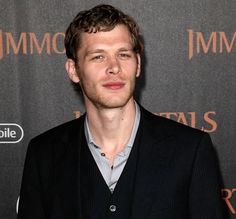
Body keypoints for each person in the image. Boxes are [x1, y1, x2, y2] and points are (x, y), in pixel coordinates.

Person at [18, 4, 227, 219]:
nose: (114, 67)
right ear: (73, 70)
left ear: (137, 64)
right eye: (98, 56)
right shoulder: (43, 155)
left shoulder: (190, 150)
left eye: (123, 54)